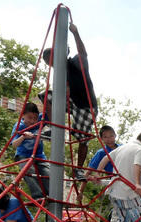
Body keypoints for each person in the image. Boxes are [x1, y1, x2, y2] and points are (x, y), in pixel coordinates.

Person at [42, 23, 99, 180]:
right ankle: (53, 127)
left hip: (86, 105)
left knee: (83, 138)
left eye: (51, 60)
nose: (51, 65)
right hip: (73, 103)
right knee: (45, 95)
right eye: (48, 63)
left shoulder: (74, 63)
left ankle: (79, 170)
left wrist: (75, 33)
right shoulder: (59, 73)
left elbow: (82, 52)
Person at [11, 101, 49, 200]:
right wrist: (23, 136)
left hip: (39, 155)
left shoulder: (40, 119)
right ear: (23, 116)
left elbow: (51, 113)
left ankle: (49, 196)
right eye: (29, 118)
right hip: (23, 155)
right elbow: (14, 144)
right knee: (28, 171)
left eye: (35, 118)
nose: (32, 121)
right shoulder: (19, 126)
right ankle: (38, 196)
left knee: (48, 173)